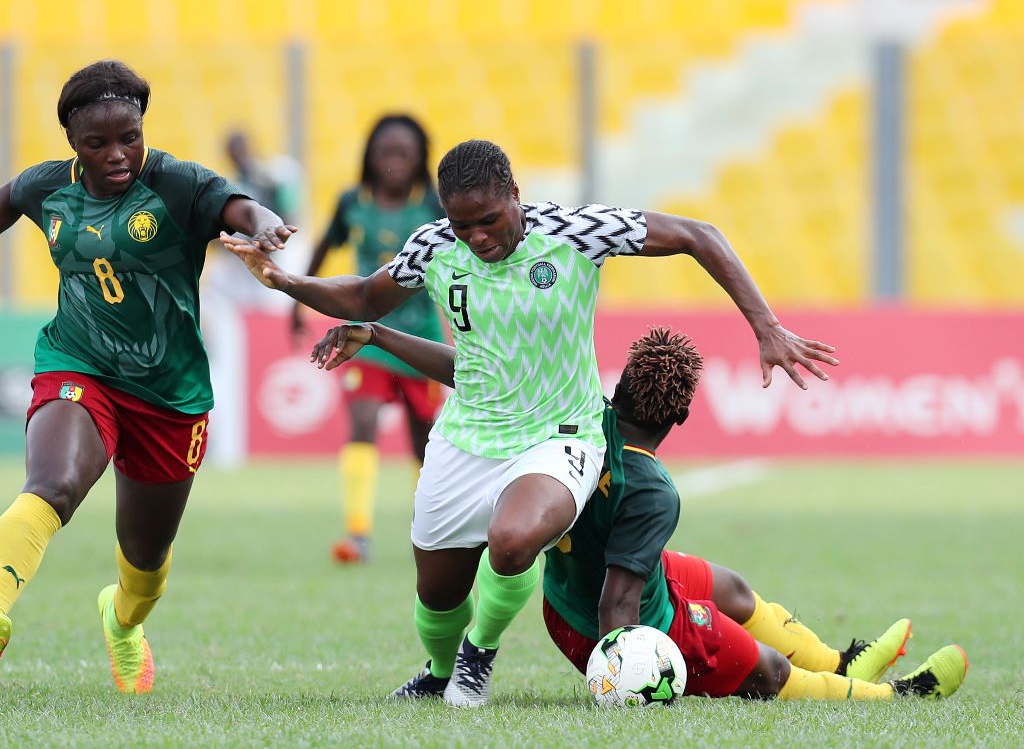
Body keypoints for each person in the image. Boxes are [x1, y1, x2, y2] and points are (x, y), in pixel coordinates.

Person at [224, 138, 837, 707]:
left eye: (488, 220)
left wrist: (766, 327)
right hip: (467, 436)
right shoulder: (433, 246)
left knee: (514, 541)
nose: (476, 237)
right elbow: (363, 296)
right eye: (462, 224)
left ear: (514, 194)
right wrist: (283, 280)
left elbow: (698, 235)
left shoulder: (576, 232)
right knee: (437, 594)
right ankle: (441, 670)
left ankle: (479, 654)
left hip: (560, 434)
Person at [0, 60, 294, 694]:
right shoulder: (52, 186)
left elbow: (238, 205)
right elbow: (7, 198)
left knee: (146, 560)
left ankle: (123, 623)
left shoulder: (176, 183)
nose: (117, 154)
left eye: (129, 136)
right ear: (73, 143)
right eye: (97, 143)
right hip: (80, 363)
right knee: (52, 485)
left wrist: (263, 225)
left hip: (169, 392)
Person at [308, 322, 969, 701]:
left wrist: (380, 337)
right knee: (767, 669)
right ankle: (886, 697)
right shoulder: (653, 490)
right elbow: (619, 604)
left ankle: (841, 662)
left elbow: (475, 375)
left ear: (618, 384)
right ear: (679, 418)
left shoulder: (579, 417)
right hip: (614, 621)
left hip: (570, 594)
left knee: (733, 587)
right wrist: (624, 674)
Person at [291, 115, 447, 564]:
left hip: (420, 340)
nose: (393, 160)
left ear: (419, 158)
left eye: (403, 153)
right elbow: (323, 247)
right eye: (385, 152)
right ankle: (357, 533)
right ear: (370, 156)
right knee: (362, 422)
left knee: (424, 439)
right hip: (363, 336)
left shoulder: (433, 205)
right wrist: (297, 299)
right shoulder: (352, 202)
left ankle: (429, 529)